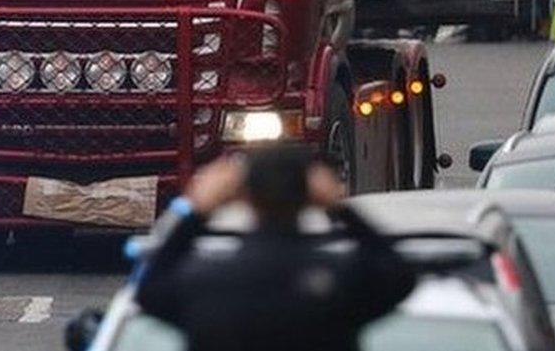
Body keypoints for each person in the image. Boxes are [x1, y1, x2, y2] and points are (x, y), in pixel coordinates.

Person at [135, 145, 416, 351]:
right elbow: (400, 276)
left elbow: (147, 290)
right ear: (311, 194)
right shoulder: (341, 281)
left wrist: (197, 212)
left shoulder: (206, 282)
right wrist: (340, 210)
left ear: (243, 196)